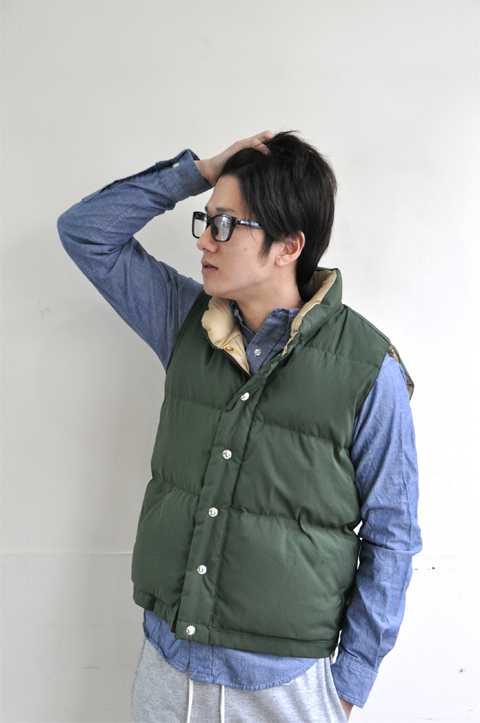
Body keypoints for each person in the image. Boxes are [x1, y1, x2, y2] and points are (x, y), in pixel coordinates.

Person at [57, 131, 421, 722]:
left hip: (283, 687)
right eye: (206, 220)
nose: (205, 239)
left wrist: (347, 685)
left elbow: (393, 536)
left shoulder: (368, 370)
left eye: (226, 225)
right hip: (167, 666)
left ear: (288, 246)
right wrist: (202, 170)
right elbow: (85, 231)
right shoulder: (184, 321)